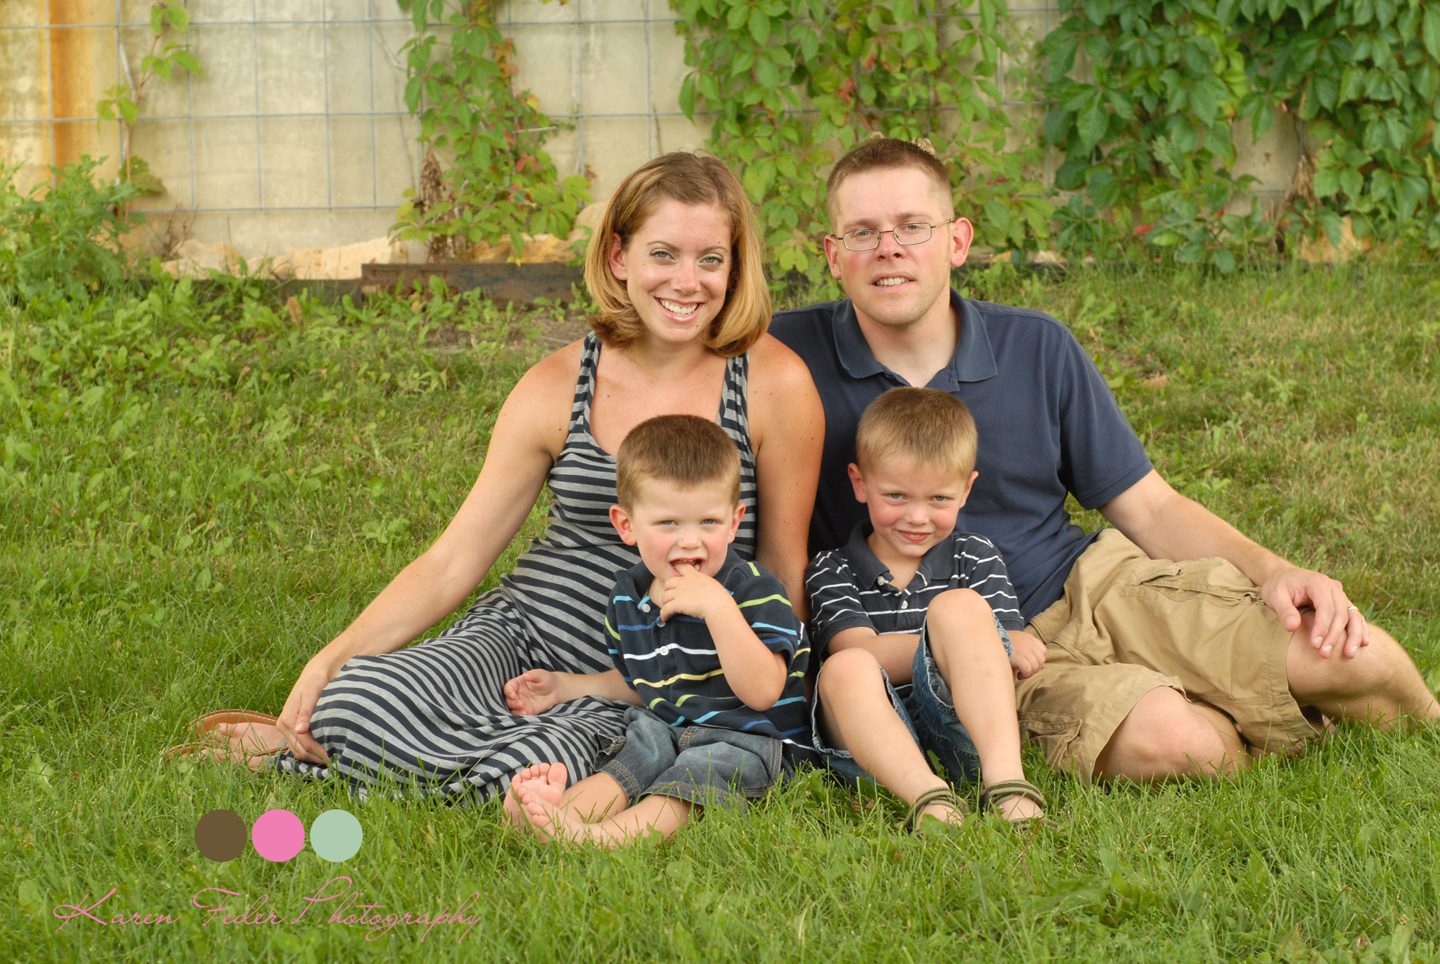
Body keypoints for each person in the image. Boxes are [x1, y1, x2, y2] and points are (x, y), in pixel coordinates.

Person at [772, 136, 1439, 783]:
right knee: (1183, 745)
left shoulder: (1036, 346)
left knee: (1354, 657)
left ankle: (1419, 726)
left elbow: (1149, 507)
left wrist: (1275, 571)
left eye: (913, 226)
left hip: (1091, 586)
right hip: (984, 655)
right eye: (862, 232)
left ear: (958, 241)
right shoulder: (786, 359)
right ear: (832, 255)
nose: (888, 248)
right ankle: (1194, 704)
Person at [195, 152, 823, 801]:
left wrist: (771, 706)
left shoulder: (773, 384)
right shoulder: (558, 385)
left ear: (735, 266)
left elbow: (782, 565)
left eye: (710, 259)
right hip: (525, 633)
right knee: (355, 696)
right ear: (618, 257)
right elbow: (454, 560)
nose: (687, 282)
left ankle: (319, 760)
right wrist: (334, 656)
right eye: (663, 254)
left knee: (534, 770)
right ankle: (355, 736)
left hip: (651, 674)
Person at [501, 414, 814, 846]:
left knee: (698, 772)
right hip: (670, 727)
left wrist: (719, 610)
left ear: (734, 521)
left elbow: (764, 692)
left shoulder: (753, 590)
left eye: (708, 522)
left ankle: (607, 839)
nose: (690, 541)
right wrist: (566, 687)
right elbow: (647, 683)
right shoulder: (628, 599)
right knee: (637, 750)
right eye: (668, 523)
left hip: (752, 741)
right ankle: (557, 814)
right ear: (626, 525)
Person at [806, 388, 1043, 827]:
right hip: (874, 745)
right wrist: (955, 643)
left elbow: (1008, 648)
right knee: (845, 666)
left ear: (966, 490)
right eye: (896, 496)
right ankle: (928, 797)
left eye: (938, 499)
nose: (917, 517)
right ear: (860, 483)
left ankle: (1006, 782)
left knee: (960, 609)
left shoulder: (975, 556)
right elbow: (859, 651)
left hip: (962, 731)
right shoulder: (832, 568)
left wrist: (996, 639)